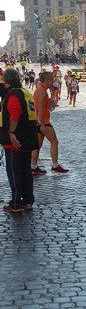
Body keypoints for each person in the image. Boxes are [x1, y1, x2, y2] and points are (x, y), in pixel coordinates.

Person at [0, 68, 38, 212]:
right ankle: (28, 200)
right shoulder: (26, 93)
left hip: (16, 139)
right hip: (28, 137)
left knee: (14, 171)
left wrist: (11, 132)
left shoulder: (13, 95)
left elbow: (15, 114)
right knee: (25, 171)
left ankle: (16, 202)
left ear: (6, 81)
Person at [31, 71, 69, 174]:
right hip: (44, 122)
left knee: (37, 145)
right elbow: (40, 109)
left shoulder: (40, 90)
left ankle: (33, 167)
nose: (53, 81)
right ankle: (55, 166)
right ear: (47, 81)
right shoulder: (42, 92)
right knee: (54, 142)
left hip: (39, 122)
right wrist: (42, 124)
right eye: (52, 79)